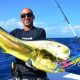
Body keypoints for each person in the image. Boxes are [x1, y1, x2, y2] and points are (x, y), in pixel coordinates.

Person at [10, 8, 49, 80]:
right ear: (21, 19)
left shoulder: (40, 31)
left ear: (33, 17)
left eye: (29, 15)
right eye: (23, 16)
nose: (26, 17)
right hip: (18, 75)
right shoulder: (15, 32)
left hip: (38, 76)